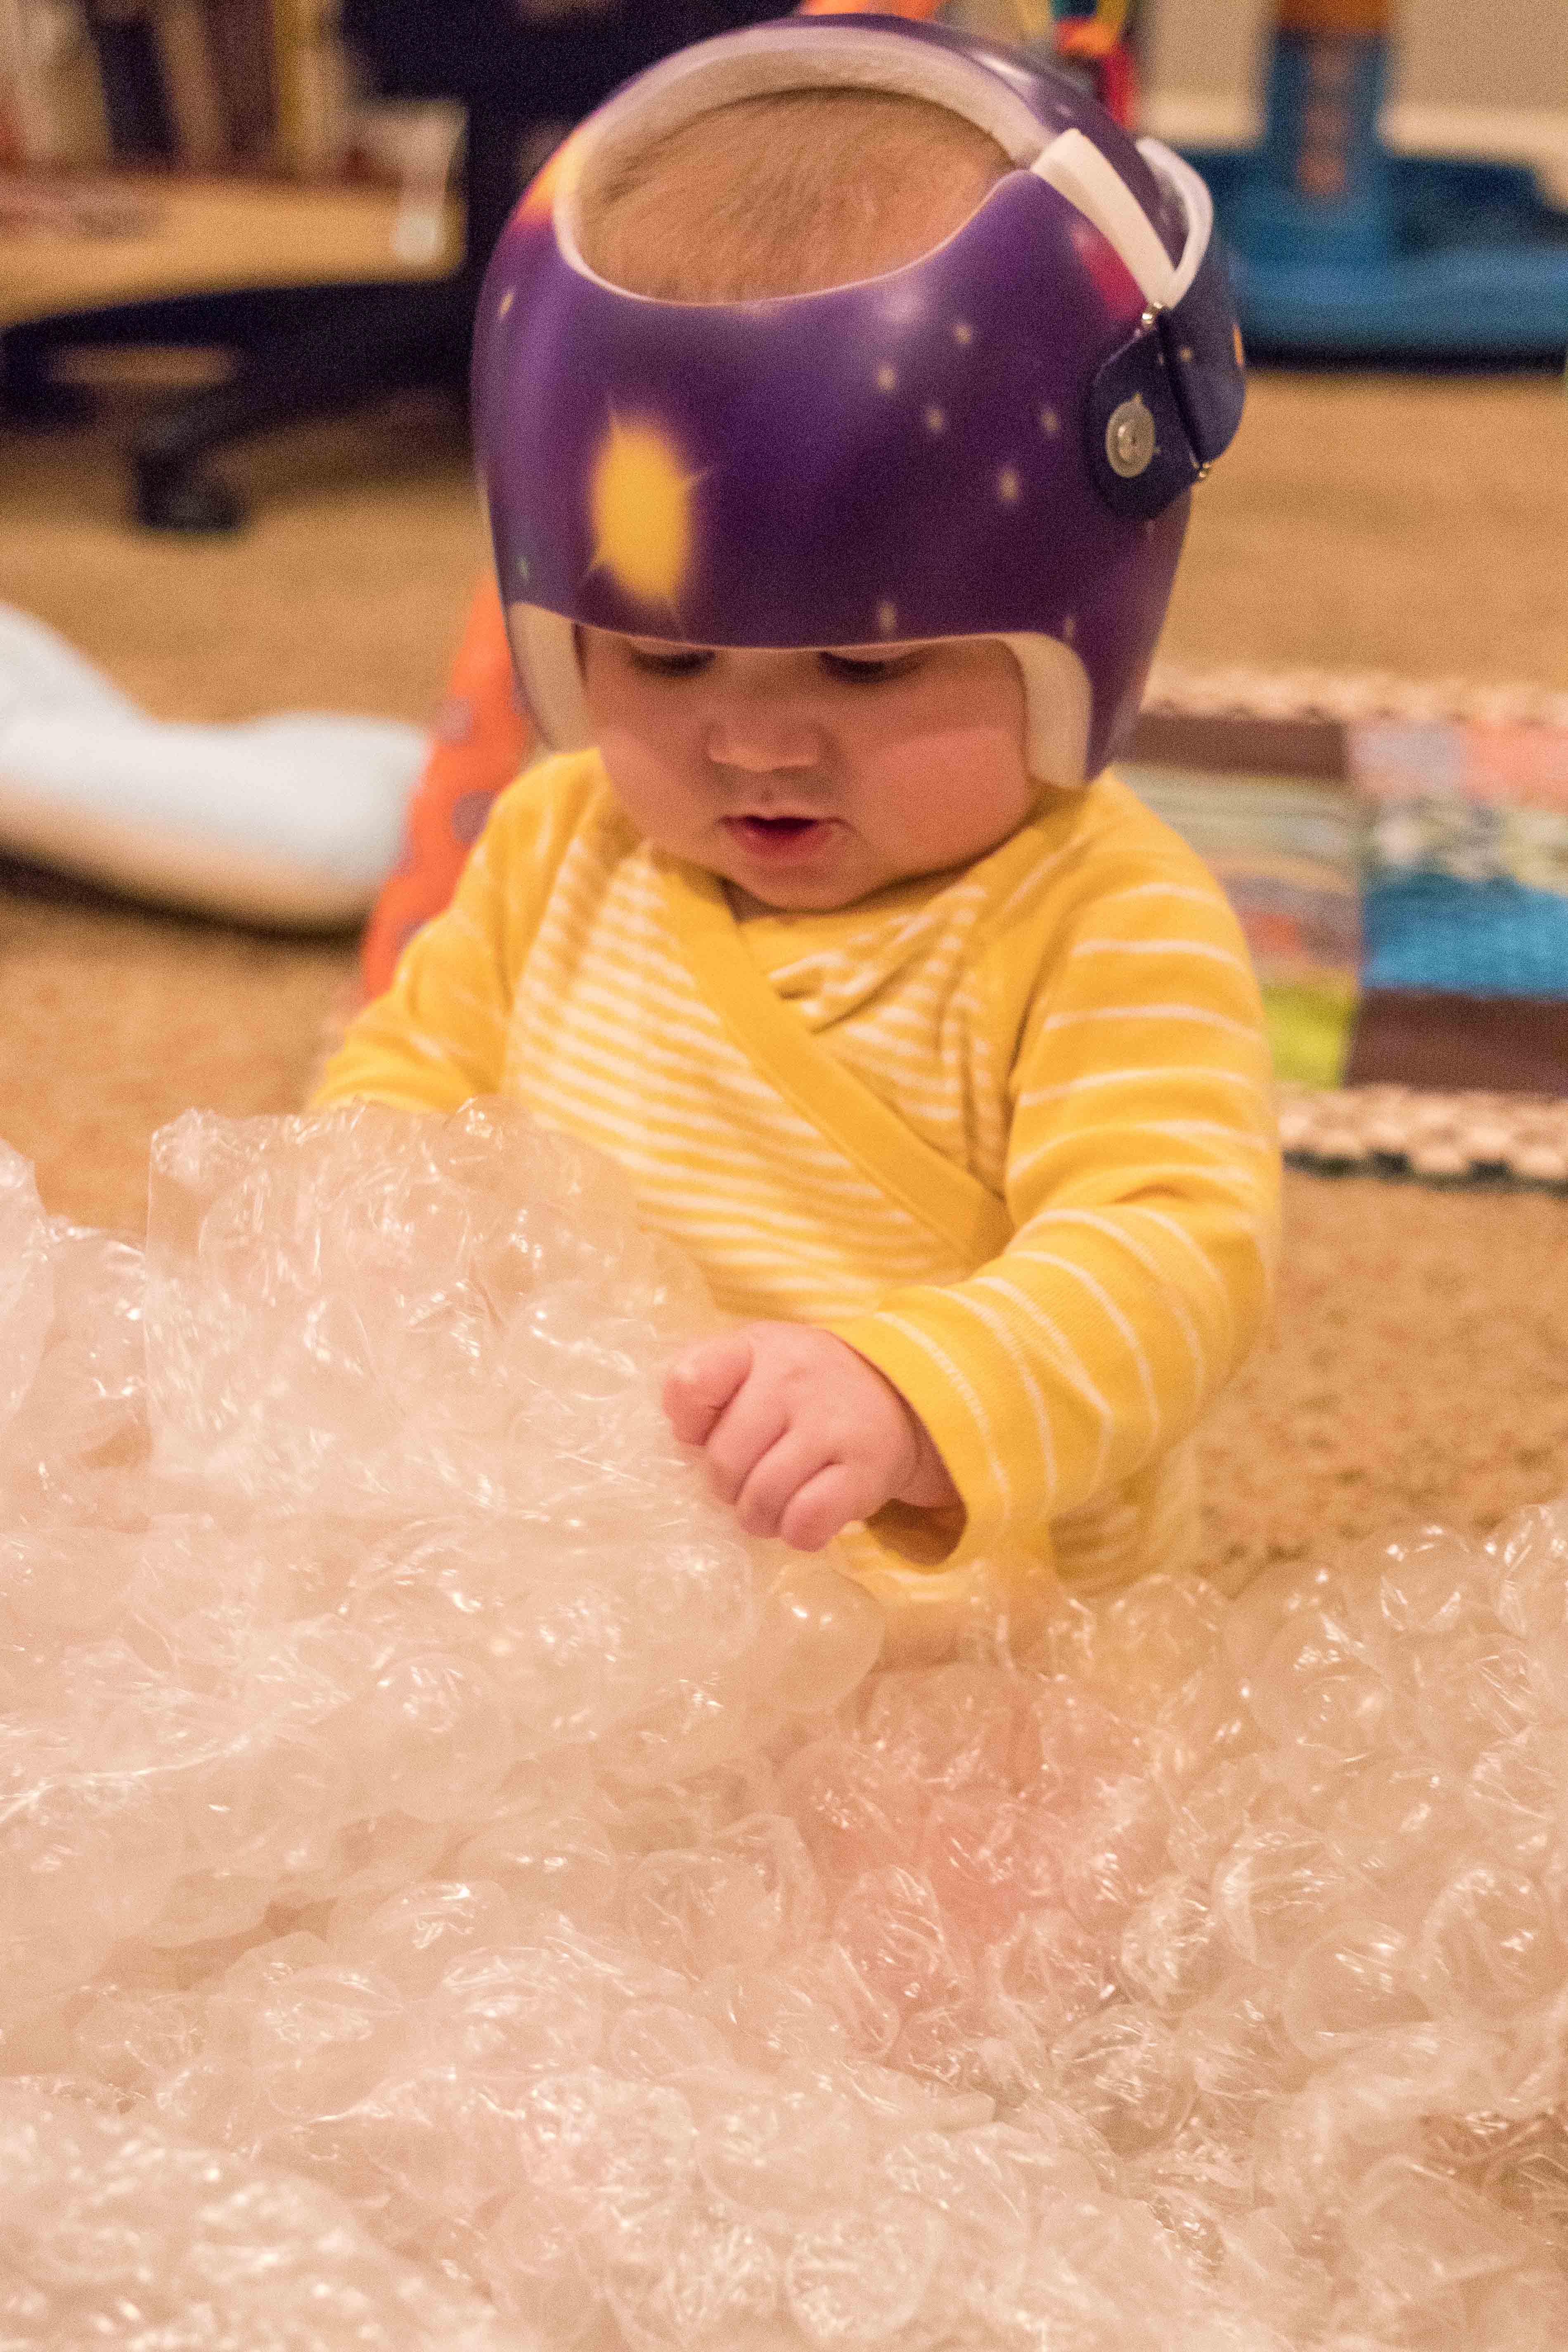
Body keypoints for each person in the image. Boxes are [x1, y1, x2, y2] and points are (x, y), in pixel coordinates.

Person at [314, 13, 1279, 1647]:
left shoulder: (1100, 916)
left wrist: (909, 1393)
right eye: (667, 659)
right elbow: (412, 1068)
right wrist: (356, 1227)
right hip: (602, 1584)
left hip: (966, 1629)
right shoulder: (564, 839)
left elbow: (1175, 1256)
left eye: (870, 662)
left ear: (1077, 625)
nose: (753, 737)